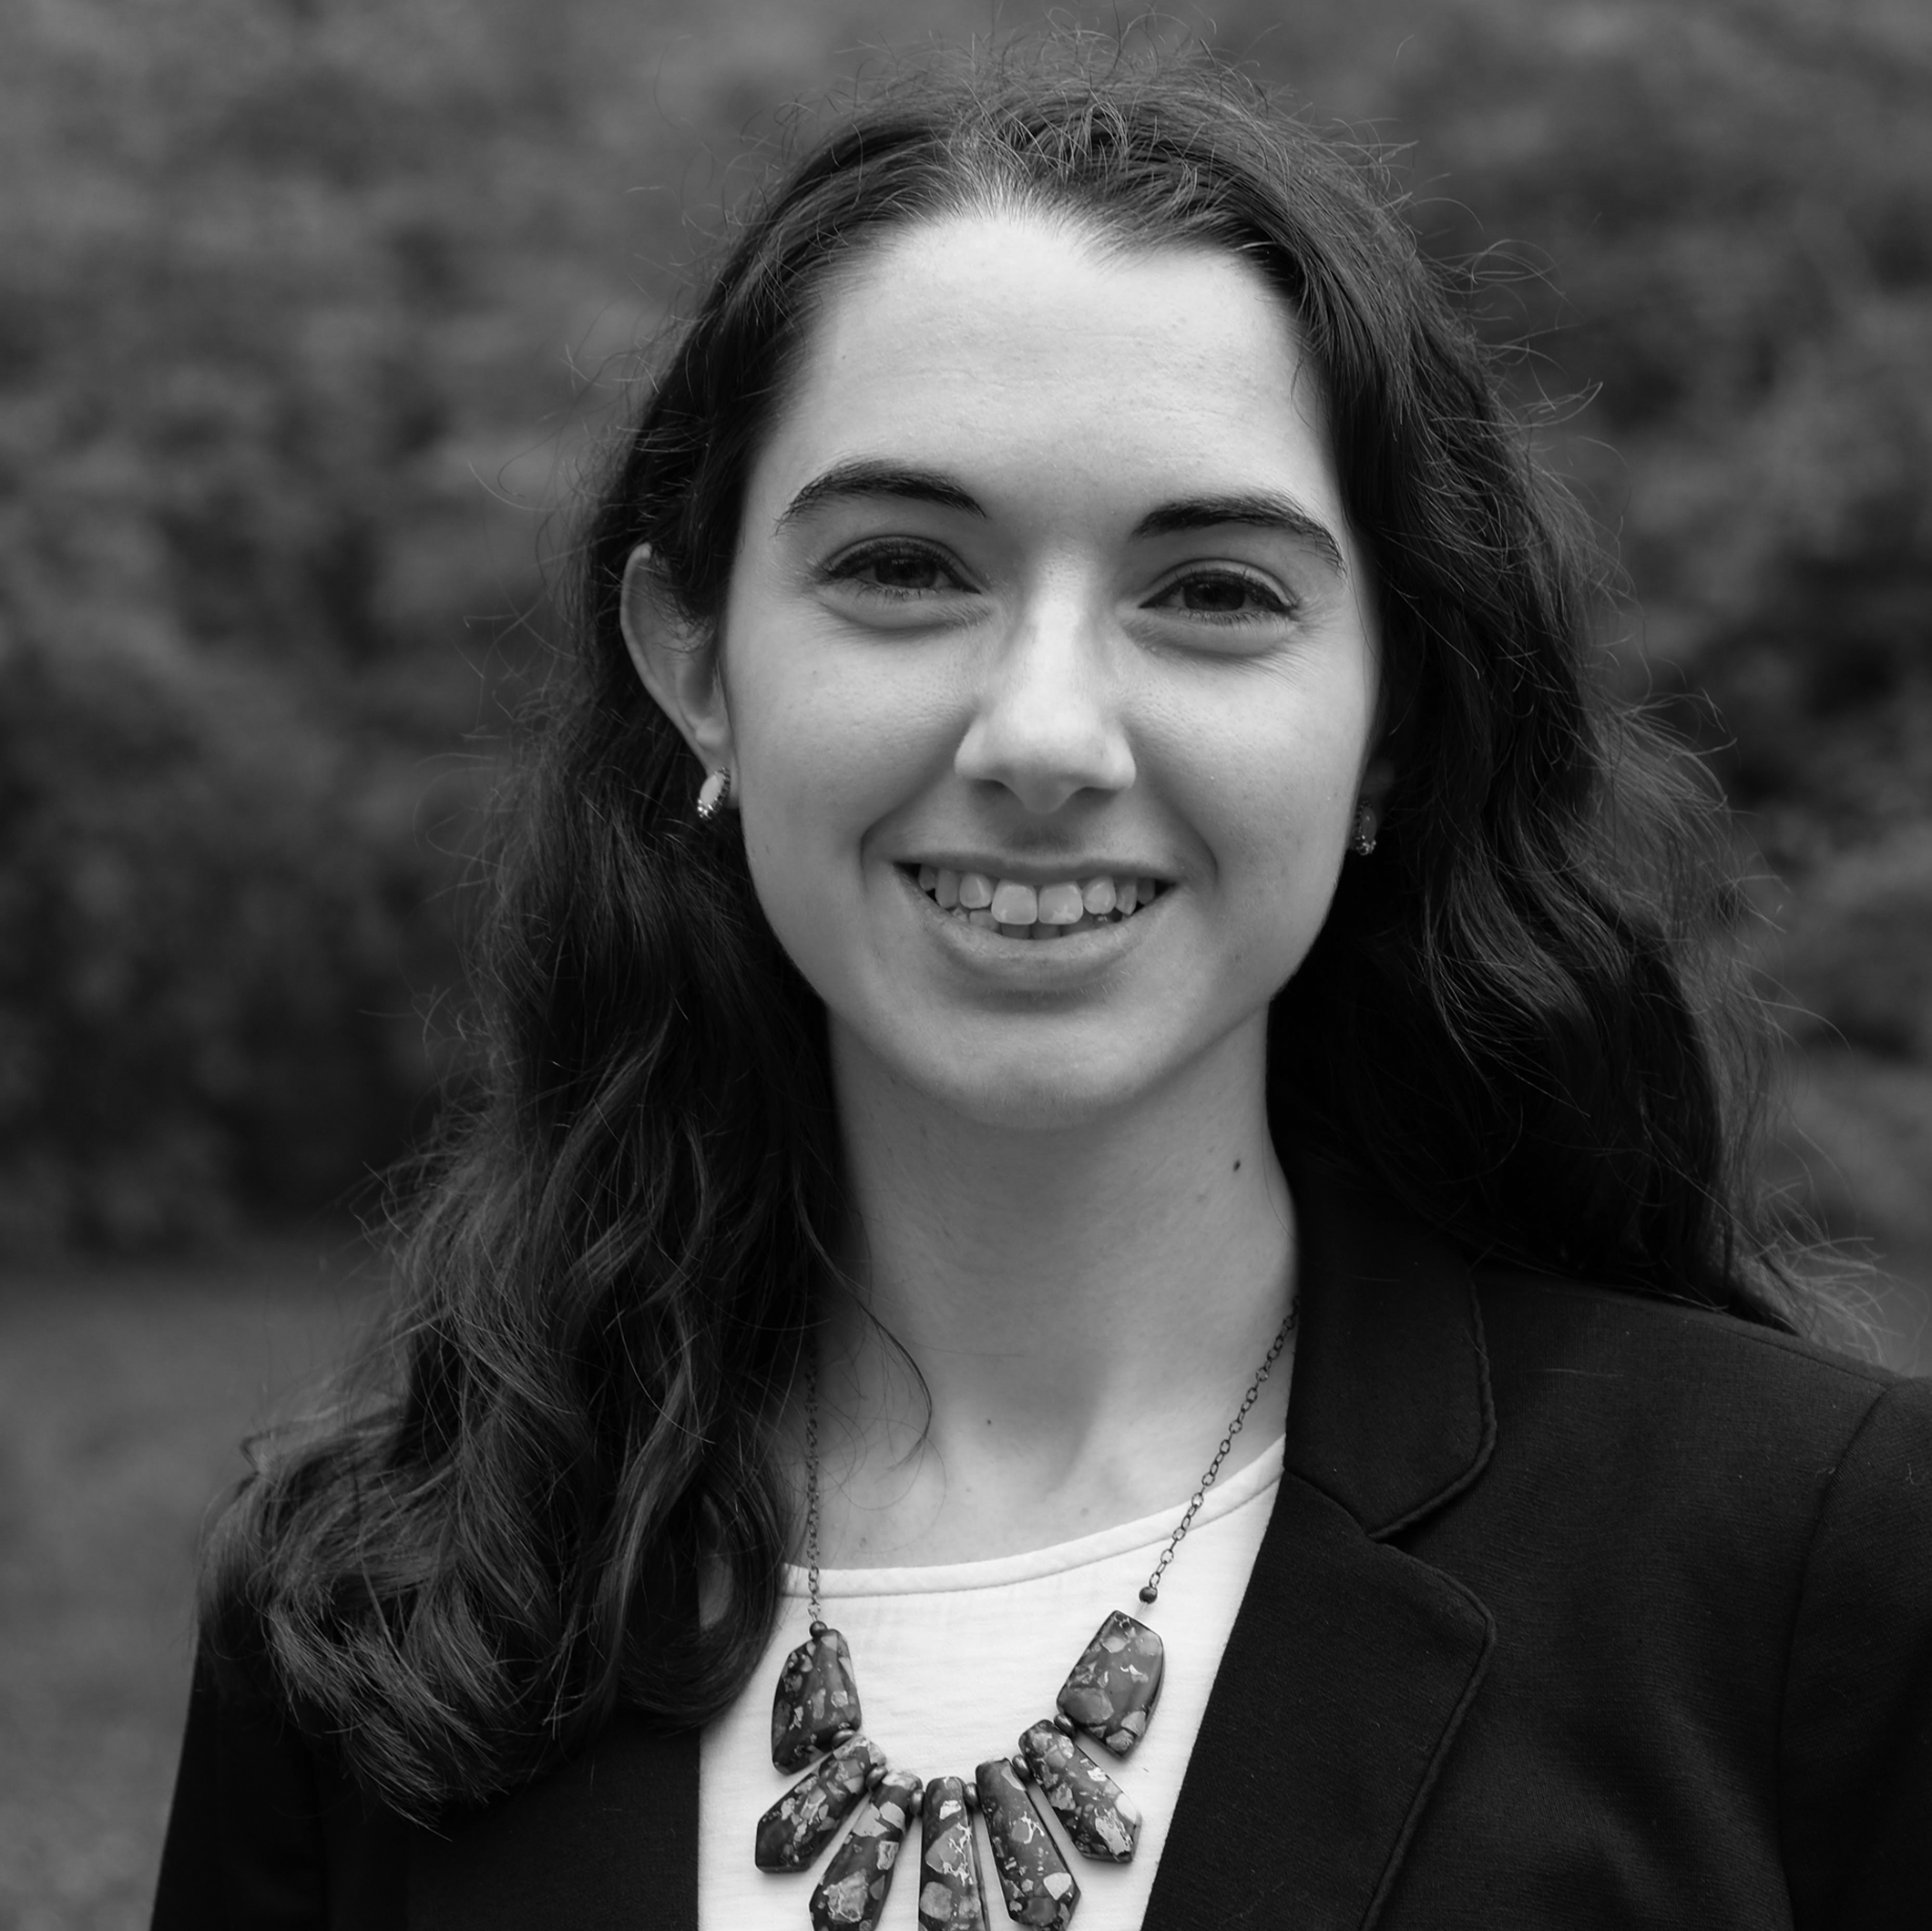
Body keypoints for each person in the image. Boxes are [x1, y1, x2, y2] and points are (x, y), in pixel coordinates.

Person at [152, 41, 1932, 1931]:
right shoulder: (364, 1605)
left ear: (1396, 722)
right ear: (695, 663)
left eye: (1214, 592)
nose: (1046, 733)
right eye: (906, 566)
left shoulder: (1815, 1562)